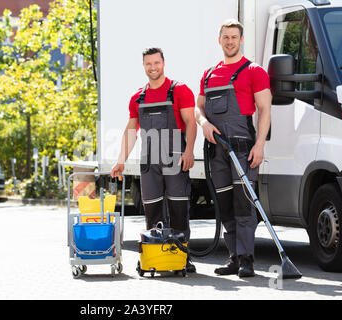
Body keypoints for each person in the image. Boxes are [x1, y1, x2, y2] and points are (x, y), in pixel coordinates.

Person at [195, 19, 272, 277]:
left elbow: (264, 110)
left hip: (242, 149)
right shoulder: (209, 74)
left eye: (234, 37)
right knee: (225, 204)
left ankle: (247, 259)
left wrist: (260, 145)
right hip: (217, 152)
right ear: (219, 40)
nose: (229, 41)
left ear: (241, 40)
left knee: (244, 204)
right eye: (225, 37)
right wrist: (204, 122)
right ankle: (234, 258)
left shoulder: (254, 71)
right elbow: (198, 107)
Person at [110, 47, 197, 272]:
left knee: (178, 210)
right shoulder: (138, 97)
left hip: (175, 158)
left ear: (163, 63)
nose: (153, 67)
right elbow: (131, 131)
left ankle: (181, 258)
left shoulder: (179, 90)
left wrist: (189, 151)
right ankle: (155, 257)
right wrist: (121, 160)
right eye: (148, 64)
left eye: (156, 63)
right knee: (152, 211)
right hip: (149, 161)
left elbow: (190, 122)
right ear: (143, 66)